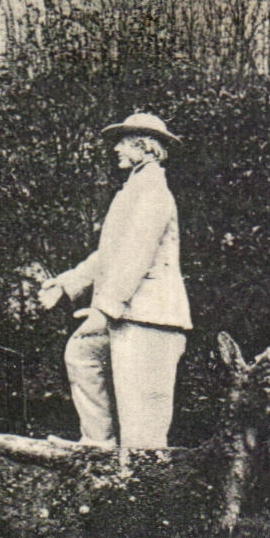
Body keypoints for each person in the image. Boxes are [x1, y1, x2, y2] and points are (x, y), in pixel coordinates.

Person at [38, 112, 192, 450]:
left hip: (151, 316)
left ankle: (142, 489)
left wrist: (105, 309)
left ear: (145, 146)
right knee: (82, 353)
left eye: (123, 141)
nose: (116, 149)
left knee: (143, 431)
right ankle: (98, 445)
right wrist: (67, 284)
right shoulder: (134, 189)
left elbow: (135, 257)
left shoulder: (153, 191)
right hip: (129, 313)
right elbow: (109, 254)